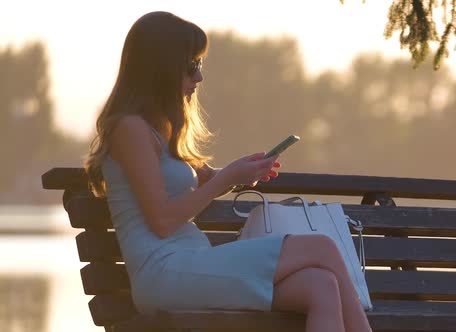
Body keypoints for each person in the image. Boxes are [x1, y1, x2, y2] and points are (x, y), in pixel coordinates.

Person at [84, 11, 372, 332]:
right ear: (161, 69)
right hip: (165, 272)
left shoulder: (164, 129)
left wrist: (242, 172)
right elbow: (162, 221)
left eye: (199, 66)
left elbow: (209, 180)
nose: (199, 79)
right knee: (322, 248)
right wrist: (226, 178)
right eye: (192, 67)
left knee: (320, 286)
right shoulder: (130, 130)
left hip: (191, 263)